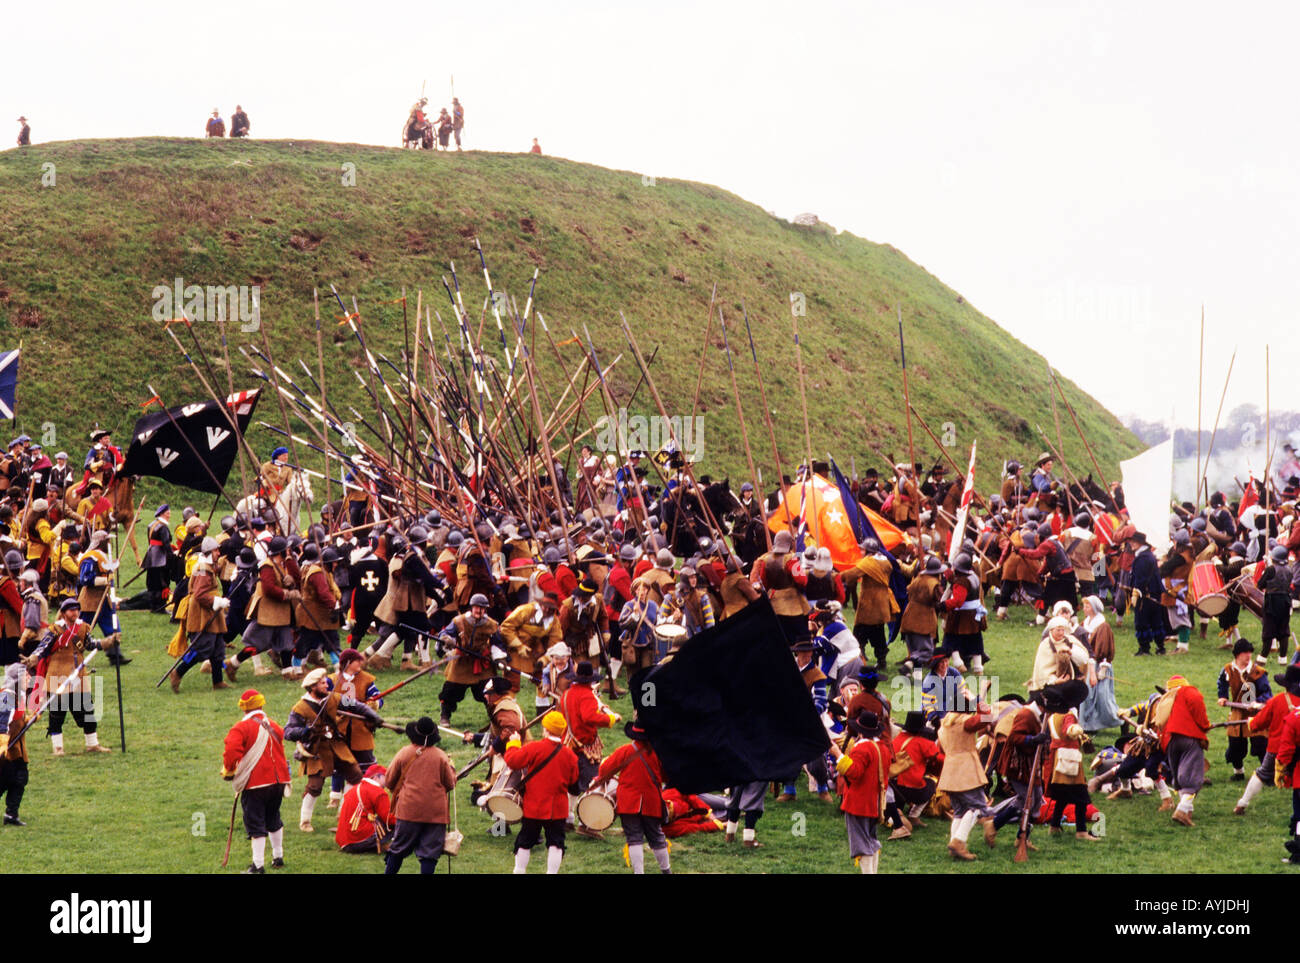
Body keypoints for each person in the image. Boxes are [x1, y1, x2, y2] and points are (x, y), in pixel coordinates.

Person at [284, 667, 378, 832]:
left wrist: (373, 716)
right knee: (315, 786)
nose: (326, 685)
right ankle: (305, 821)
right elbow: (289, 732)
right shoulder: (300, 708)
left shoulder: (334, 698)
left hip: (336, 745)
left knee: (355, 775)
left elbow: (356, 706)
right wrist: (304, 731)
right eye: (321, 683)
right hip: (316, 749)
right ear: (313, 687)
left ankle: (344, 815)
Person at [220, 688, 290, 873]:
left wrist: (229, 770)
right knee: (273, 817)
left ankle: (257, 865)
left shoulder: (241, 727)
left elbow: (232, 751)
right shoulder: (274, 725)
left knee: (255, 822)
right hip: (279, 781)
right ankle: (278, 856)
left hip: (256, 783)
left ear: (244, 708)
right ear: (261, 704)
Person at [30, 598, 111, 755]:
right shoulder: (54, 630)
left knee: (87, 711)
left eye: (76, 609)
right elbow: (42, 648)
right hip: (57, 673)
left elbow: (90, 644)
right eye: (71, 610)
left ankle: (92, 744)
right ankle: (58, 748)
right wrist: (33, 658)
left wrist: (108, 642)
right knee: (57, 713)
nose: (75, 612)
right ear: (63, 613)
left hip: (78, 673)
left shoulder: (82, 628)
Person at [504, 710, 581, 874]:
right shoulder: (570, 755)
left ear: (545, 729)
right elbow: (574, 785)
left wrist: (514, 743)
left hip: (534, 806)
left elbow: (512, 761)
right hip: (558, 809)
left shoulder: (535, 747)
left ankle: (519, 871)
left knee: (525, 841)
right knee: (556, 843)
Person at [592, 719, 671, 874]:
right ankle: (666, 871)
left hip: (628, 803)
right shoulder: (659, 753)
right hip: (651, 802)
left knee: (634, 839)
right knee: (657, 838)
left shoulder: (625, 751)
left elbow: (605, 770)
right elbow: (667, 776)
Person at [384, 717, 457, 874]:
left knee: (398, 849)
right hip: (435, 813)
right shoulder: (441, 756)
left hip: (408, 810)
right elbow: (450, 784)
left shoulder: (404, 753)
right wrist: (452, 770)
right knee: (429, 854)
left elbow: (389, 781)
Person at [830, 709, 892, 873]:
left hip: (859, 803)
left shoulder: (862, 749)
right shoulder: (883, 748)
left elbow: (854, 772)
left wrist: (838, 754)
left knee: (862, 844)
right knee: (871, 840)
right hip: (874, 802)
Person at [169, 537, 232, 692]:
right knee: (202, 647)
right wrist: (217, 601)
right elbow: (200, 595)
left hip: (210, 611)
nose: (218, 553)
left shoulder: (208, 566)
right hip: (202, 612)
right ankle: (178, 672)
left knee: (217, 648)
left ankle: (217, 681)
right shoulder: (203, 570)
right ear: (209, 552)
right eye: (216, 550)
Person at [1236, 664, 1300, 815]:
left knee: (1261, 774)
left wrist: (1251, 722)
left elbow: (1258, 724)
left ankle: (1242, 804)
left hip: (1277, 749)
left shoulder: (1276, 701)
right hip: (1298, 750)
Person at [937, 701, 996, 860]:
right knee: (978, 808)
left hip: (949, 771)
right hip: (966, 771)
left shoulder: (943, 725)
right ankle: (959, 842)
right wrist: (980, 704)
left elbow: (941, 749)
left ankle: (953, 844)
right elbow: (987, 717)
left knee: (959, 811)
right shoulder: (965, 722)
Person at [1041, 681, 1100, 841]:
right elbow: (1069, 730)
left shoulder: (1053, 716)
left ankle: (1054, 826)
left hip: (1057, 759)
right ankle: (1081, 831)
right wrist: (1077, 730)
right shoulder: (1069, 716)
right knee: (1081, 796)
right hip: (1069, 759)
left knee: (1061, 795)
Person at [1159, 674, 1211, 827]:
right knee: (1192, 777)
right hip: (1189, 738)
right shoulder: (1190, 692)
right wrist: (1206, 726)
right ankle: (1182, 811)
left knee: (1180, 778)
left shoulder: (1166, 699)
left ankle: (1188, 810)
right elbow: (1200, 715)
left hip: (1170, 741)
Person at [1217, 639, 1271, 780]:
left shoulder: (1258, 672)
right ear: (1238, 655)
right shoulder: (1228, 669)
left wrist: (1257, 702)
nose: (1248, 656)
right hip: (1237, 711)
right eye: (1245, 653)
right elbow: (1222, 683)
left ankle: (1267, 774)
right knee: (1235, 746)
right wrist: (1222, 696)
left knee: (1260, 745)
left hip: (1255, 713)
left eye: (1250, 653)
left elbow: (1267, 693)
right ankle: (1239, 773)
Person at [336, 763, 394, 854]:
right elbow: (389, 819)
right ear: (376, 777)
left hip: (344, 842)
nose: (388, 781)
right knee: (397, 823)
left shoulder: (355, 788)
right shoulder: (378, 792)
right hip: (358, 841)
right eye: (385, 777)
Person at [0, 662, 30, 824]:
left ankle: (11, 815)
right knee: (7, 779)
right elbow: (2, 723)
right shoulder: (7, 696)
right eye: (25, 676)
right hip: (6, 751)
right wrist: (3, 745)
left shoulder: (18, 697)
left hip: (15, 750)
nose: (29, 678)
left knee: (20, 777)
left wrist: (28, 719)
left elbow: (15, 720)